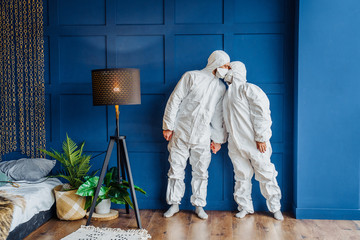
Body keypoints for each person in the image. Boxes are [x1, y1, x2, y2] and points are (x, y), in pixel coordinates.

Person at [162, 50, 230, 219]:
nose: (227, 69)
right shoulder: (191, 76)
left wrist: (217, 139)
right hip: (181, 131)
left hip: (202, 135)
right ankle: (174, 204)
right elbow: (175, 99)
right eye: (225, 65)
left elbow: (217, 114)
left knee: (201, 171)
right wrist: (168, 126)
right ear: (215, 63)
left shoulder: (221, 87)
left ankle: (199, 205)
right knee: (176, 168)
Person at [222, 61, 284, 221]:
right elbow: (223, 120)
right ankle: (244, 207)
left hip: (254, 142)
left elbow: (262, 113)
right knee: (241, 175)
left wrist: (261, 137)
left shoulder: (248, 89)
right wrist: (220, 139)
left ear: (235, 70)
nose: (224, 71)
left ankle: (275, 207)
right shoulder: (226, 95)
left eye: (227, 68)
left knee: (265, 172)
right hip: (235, 143)